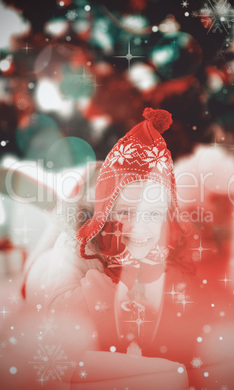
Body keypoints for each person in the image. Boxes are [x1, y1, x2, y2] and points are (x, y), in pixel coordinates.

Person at [21, 108, 208, 389]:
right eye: (124, 213)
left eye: (152, 215)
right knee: (59, 229)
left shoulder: (161, 243)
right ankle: (62, 208)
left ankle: (73, 199)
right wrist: (118, 277)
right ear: (106, 215)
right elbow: (65, 319)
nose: (138, 228)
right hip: (40, 273)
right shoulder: (78, 246)